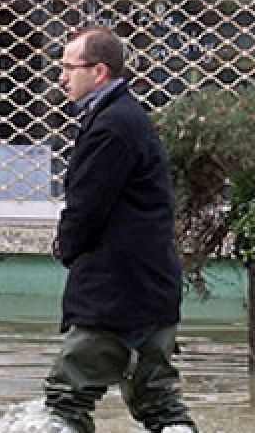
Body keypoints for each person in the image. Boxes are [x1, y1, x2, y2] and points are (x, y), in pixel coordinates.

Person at [44, 26, 197, 433]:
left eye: (68, 68)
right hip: (149, 289)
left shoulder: (112, 125)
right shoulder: (122, 117)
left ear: (99, 71)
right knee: (159, 403)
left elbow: (87, 204)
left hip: (115, 293)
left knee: (66, 400)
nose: (61, 77)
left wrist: (68, 248)